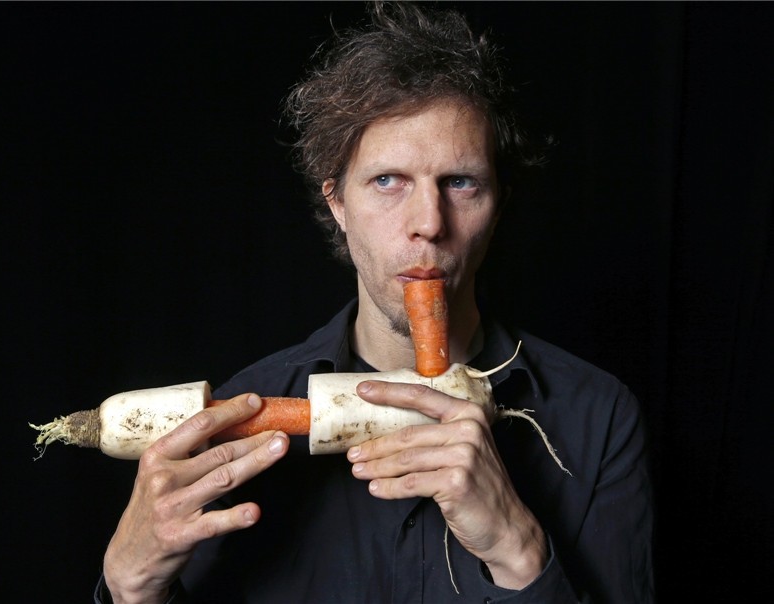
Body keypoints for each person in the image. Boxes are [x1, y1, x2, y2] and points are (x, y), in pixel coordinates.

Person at [98, 3, 654, 602]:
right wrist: (131, 589)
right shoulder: (239, 420)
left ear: (499, 203)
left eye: (460, 182)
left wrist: (517, 548)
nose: (428, 224)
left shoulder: (598, 419)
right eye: (388, 181)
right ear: (336, 202)